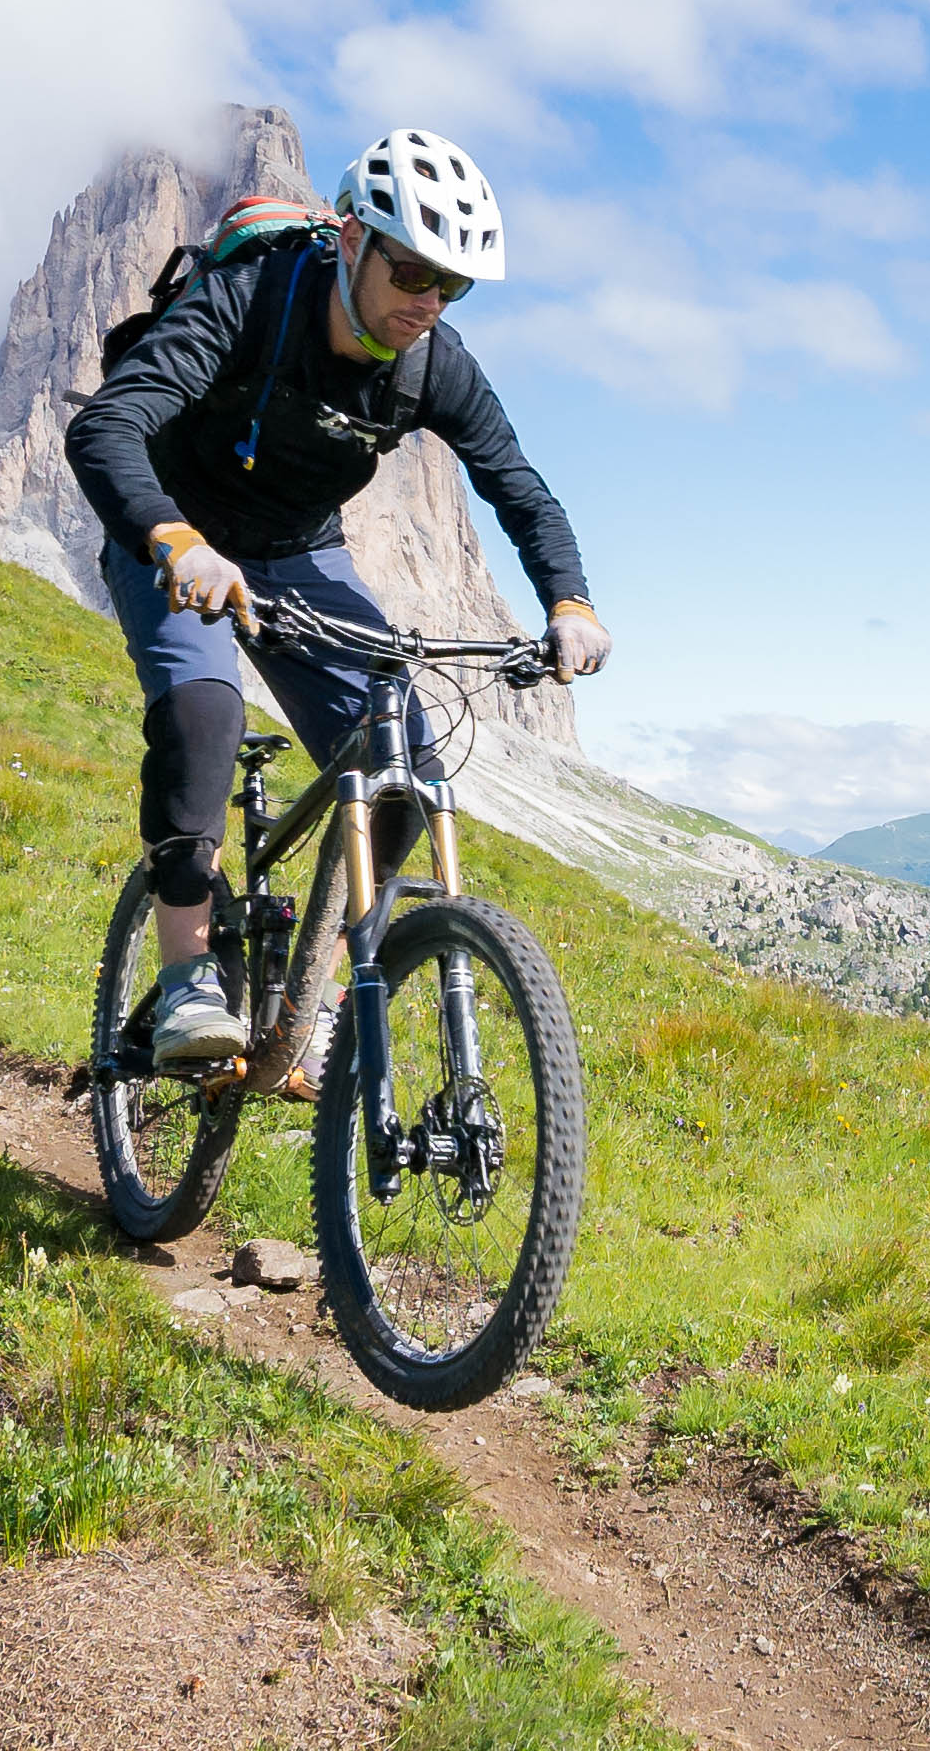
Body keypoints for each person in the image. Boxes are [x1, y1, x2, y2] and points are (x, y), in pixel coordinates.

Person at [68, 128, 606, 1079]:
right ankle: (191, 978)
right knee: (204, 710)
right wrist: (175, 540)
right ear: (353, 240)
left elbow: (519, 487)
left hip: (296, 552)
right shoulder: (250, 299)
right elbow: (108, 425)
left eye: (454, 287)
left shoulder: (435, 364)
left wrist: (569, 600)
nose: (428, 303)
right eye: (411, 272)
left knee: (406, 767)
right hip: (172, 529)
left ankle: (307, 1002)